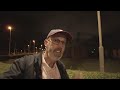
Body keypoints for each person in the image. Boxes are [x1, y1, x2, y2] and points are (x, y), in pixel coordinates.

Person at [0, 29, 72, 79]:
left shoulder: (61, 67)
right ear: (46, 43)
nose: (60, 46)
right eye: (56, 41)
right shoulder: (24, 63)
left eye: (63, 42)